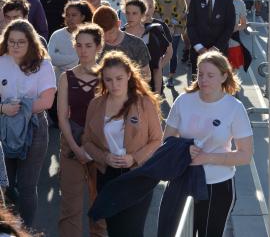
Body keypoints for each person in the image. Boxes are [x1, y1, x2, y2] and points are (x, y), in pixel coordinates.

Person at [164, 50, 253, 237]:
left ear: (224, 76)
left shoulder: (234, 108)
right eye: (200, 74)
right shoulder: (183, 101)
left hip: (217, 186)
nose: (204, 80)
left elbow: (245, 155)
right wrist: (184, 149)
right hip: (182, 180)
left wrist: (207, 158)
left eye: (211, 75)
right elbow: (167, 140)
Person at [82, 50, 162, 237]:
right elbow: (86, 141)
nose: (114, 84)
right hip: (107, 176)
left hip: (138, 175)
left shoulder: (144, 103)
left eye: (119, 78)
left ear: (128, 75)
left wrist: (134, 158)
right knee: (115, 230)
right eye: (108, 80)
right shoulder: (96, 105)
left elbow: (157, 139)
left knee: (132, 231)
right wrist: (104, 157)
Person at [0, 20, 56, 227]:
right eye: (11, 41)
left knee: (27, 186)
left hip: (34, 128)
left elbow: (47, 101)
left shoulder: (43, 64)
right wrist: (3, 109)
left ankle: (25, 230)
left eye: (20, 42)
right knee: (3, 183)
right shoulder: (1, 60)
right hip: (4, 127)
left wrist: (21, 110)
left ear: (31, 42)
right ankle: (6, 229)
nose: (15, 46)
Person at [57, 24, 106, 237]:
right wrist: (76, 148)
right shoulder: (66, 77)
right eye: (79, 45)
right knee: (71, 205)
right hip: (72, 143)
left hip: (101, 145)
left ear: (98, 47)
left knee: (100, 205)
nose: (83, 50)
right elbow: (62, 117)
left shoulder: (107, 77)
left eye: (88, 45)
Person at [187, 0, 236, 76]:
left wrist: (216, 47)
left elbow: (229, 26)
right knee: (199, 84)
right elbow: (190, 24)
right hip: (199, 50)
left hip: (219, 50)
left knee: (218, 83)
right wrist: (199, 47)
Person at [92, 6, 151, 83]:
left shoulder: (136, 44)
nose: (106, 37)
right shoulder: (92, 46)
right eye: (102, 34)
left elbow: (146, 75)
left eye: (110, 32)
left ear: (118, 24)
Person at [123, 0, 170, 93]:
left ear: (142, 14)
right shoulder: (120, 34)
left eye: (134, 13)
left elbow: (157, 67)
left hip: (148, 88)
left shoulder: (151, 34)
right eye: (128, 13)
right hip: (124, 88)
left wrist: (157, 93)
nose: (130, 17)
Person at [154, 0, 187, 87]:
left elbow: (181, 9)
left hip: (176, 28)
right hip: (161, 28)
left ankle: (171, 77)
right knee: (160, 54)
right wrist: (162, 24)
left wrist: (172, 24)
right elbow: (155, 9)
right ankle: (160, 78)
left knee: (172, 53)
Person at [220, 0, 250, 71]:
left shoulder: (239, 4)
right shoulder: (215, 2)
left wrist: (232, 29)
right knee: (219, 69)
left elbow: (244, 24)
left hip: (233, 41)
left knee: (232, 71)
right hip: (218, 41)